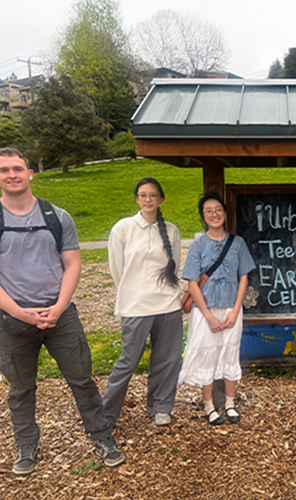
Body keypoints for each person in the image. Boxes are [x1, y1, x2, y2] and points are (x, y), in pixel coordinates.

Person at [0, 147, 124, 476]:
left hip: (61, 316)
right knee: (20, 388)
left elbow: (72, 263)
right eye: (3, 170)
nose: (11, 174)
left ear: (30, 174)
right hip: (12, 319)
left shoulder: (57, 216)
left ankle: (102, 436)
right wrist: (23, 314)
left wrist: (58, 307)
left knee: (82, 379)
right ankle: (26, 445)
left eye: (17, 168)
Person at [103, 177, 183, 427]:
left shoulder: (171, 230)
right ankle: (106, 413)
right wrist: (132, 292)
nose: (148, 199)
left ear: (161, 199)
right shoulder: (123, 228)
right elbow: (118, 269)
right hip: (136, 306)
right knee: (128, 361)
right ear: (137, 199)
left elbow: (174, 266)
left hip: (169, 306)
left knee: (167, 360)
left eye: (153, 195)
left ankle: (161, 406)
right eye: (143, 195)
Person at [179, 192, 255, 425]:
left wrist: (235, 309)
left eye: (218, 210)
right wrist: (209, 316)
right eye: (209, 211)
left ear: (224, 212)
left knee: (230, 352)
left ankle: (230, 403)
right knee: (207, 355)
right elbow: (192, 283)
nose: (214, 214)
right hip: (206, 311)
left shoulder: (238, 243)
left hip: (231, 308)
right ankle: (209, 406)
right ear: (203, 216)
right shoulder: (198, 246)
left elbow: (244, 277)